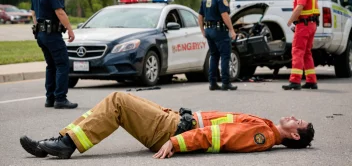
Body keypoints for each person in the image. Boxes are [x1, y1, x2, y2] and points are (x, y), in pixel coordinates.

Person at [20, 92, 315, 159]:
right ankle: (65, 138)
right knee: (115, 101)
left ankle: (65, 144)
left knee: (118, 102)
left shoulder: (262, 134)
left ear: (293, 134)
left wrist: (176, 142)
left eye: (297, 121)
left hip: (172, 130)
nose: (292, 116)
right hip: (175, 120)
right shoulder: (265, 127)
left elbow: (217, 135)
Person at [31, 0, 78, 108]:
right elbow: (60, 12)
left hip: (41, 35)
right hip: (52, 35)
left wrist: (40, 29)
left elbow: (33, 13)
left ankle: (50, 98)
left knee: (51, 66)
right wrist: (70, 30)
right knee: (63, 64)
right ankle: (61, 99)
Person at [198, 0, 238, 91]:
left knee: (214, 56)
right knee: (225, 56)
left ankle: (213, 82)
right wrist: (232, 30)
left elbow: (200, 16)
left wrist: (202, 30)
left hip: (209, 30)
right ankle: (226, 82)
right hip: (220, 31)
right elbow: (225, 15)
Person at [283, 0, 320, 90]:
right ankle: (311, 81)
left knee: (297, 51)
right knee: (307, 53)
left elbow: (299, 7)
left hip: (304, 25)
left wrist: (290, 20)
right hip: (311, 24)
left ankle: (295, 81)